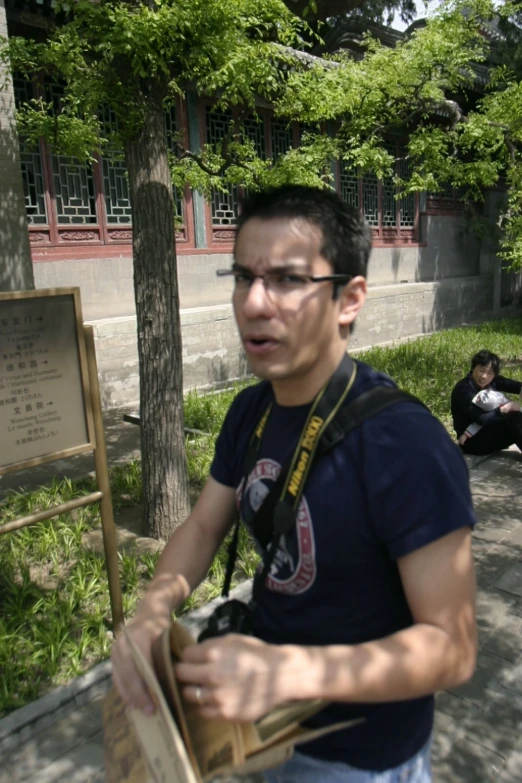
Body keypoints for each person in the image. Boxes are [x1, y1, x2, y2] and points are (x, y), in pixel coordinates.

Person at [111, 185, 477, 783]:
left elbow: (453, 648)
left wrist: (288, 674)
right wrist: (153, 610)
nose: (255, 302)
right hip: (251, 732)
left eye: (285, 280)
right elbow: (204, 526)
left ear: (348, 299)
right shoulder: (250, 412)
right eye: (243, 277)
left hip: (358, 757)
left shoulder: (405, 444)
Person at [451, 349, 522, 455]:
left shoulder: (493, 380)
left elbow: (516, 386)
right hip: (472, 441)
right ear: (473, 368)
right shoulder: (463, 389)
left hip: (490, 430)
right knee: (515, 417)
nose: (485, 376)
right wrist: (506, 408)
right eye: (481, 370)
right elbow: (481, 419)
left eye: (490, 373)